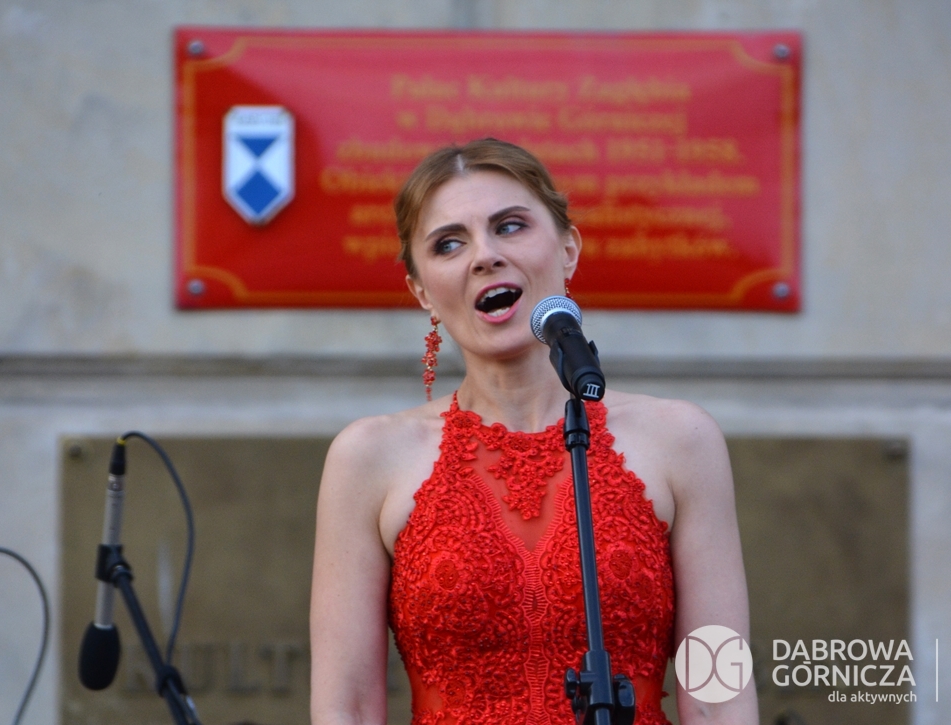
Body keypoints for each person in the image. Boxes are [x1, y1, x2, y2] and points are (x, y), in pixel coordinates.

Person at [310, 138, 758, 725]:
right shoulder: (368, 457)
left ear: (568, 249)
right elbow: (346, 705)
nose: (485, 256)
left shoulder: (682, 439)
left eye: (510, 226)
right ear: (421, 290)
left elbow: (720, 695)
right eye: (449, 243)